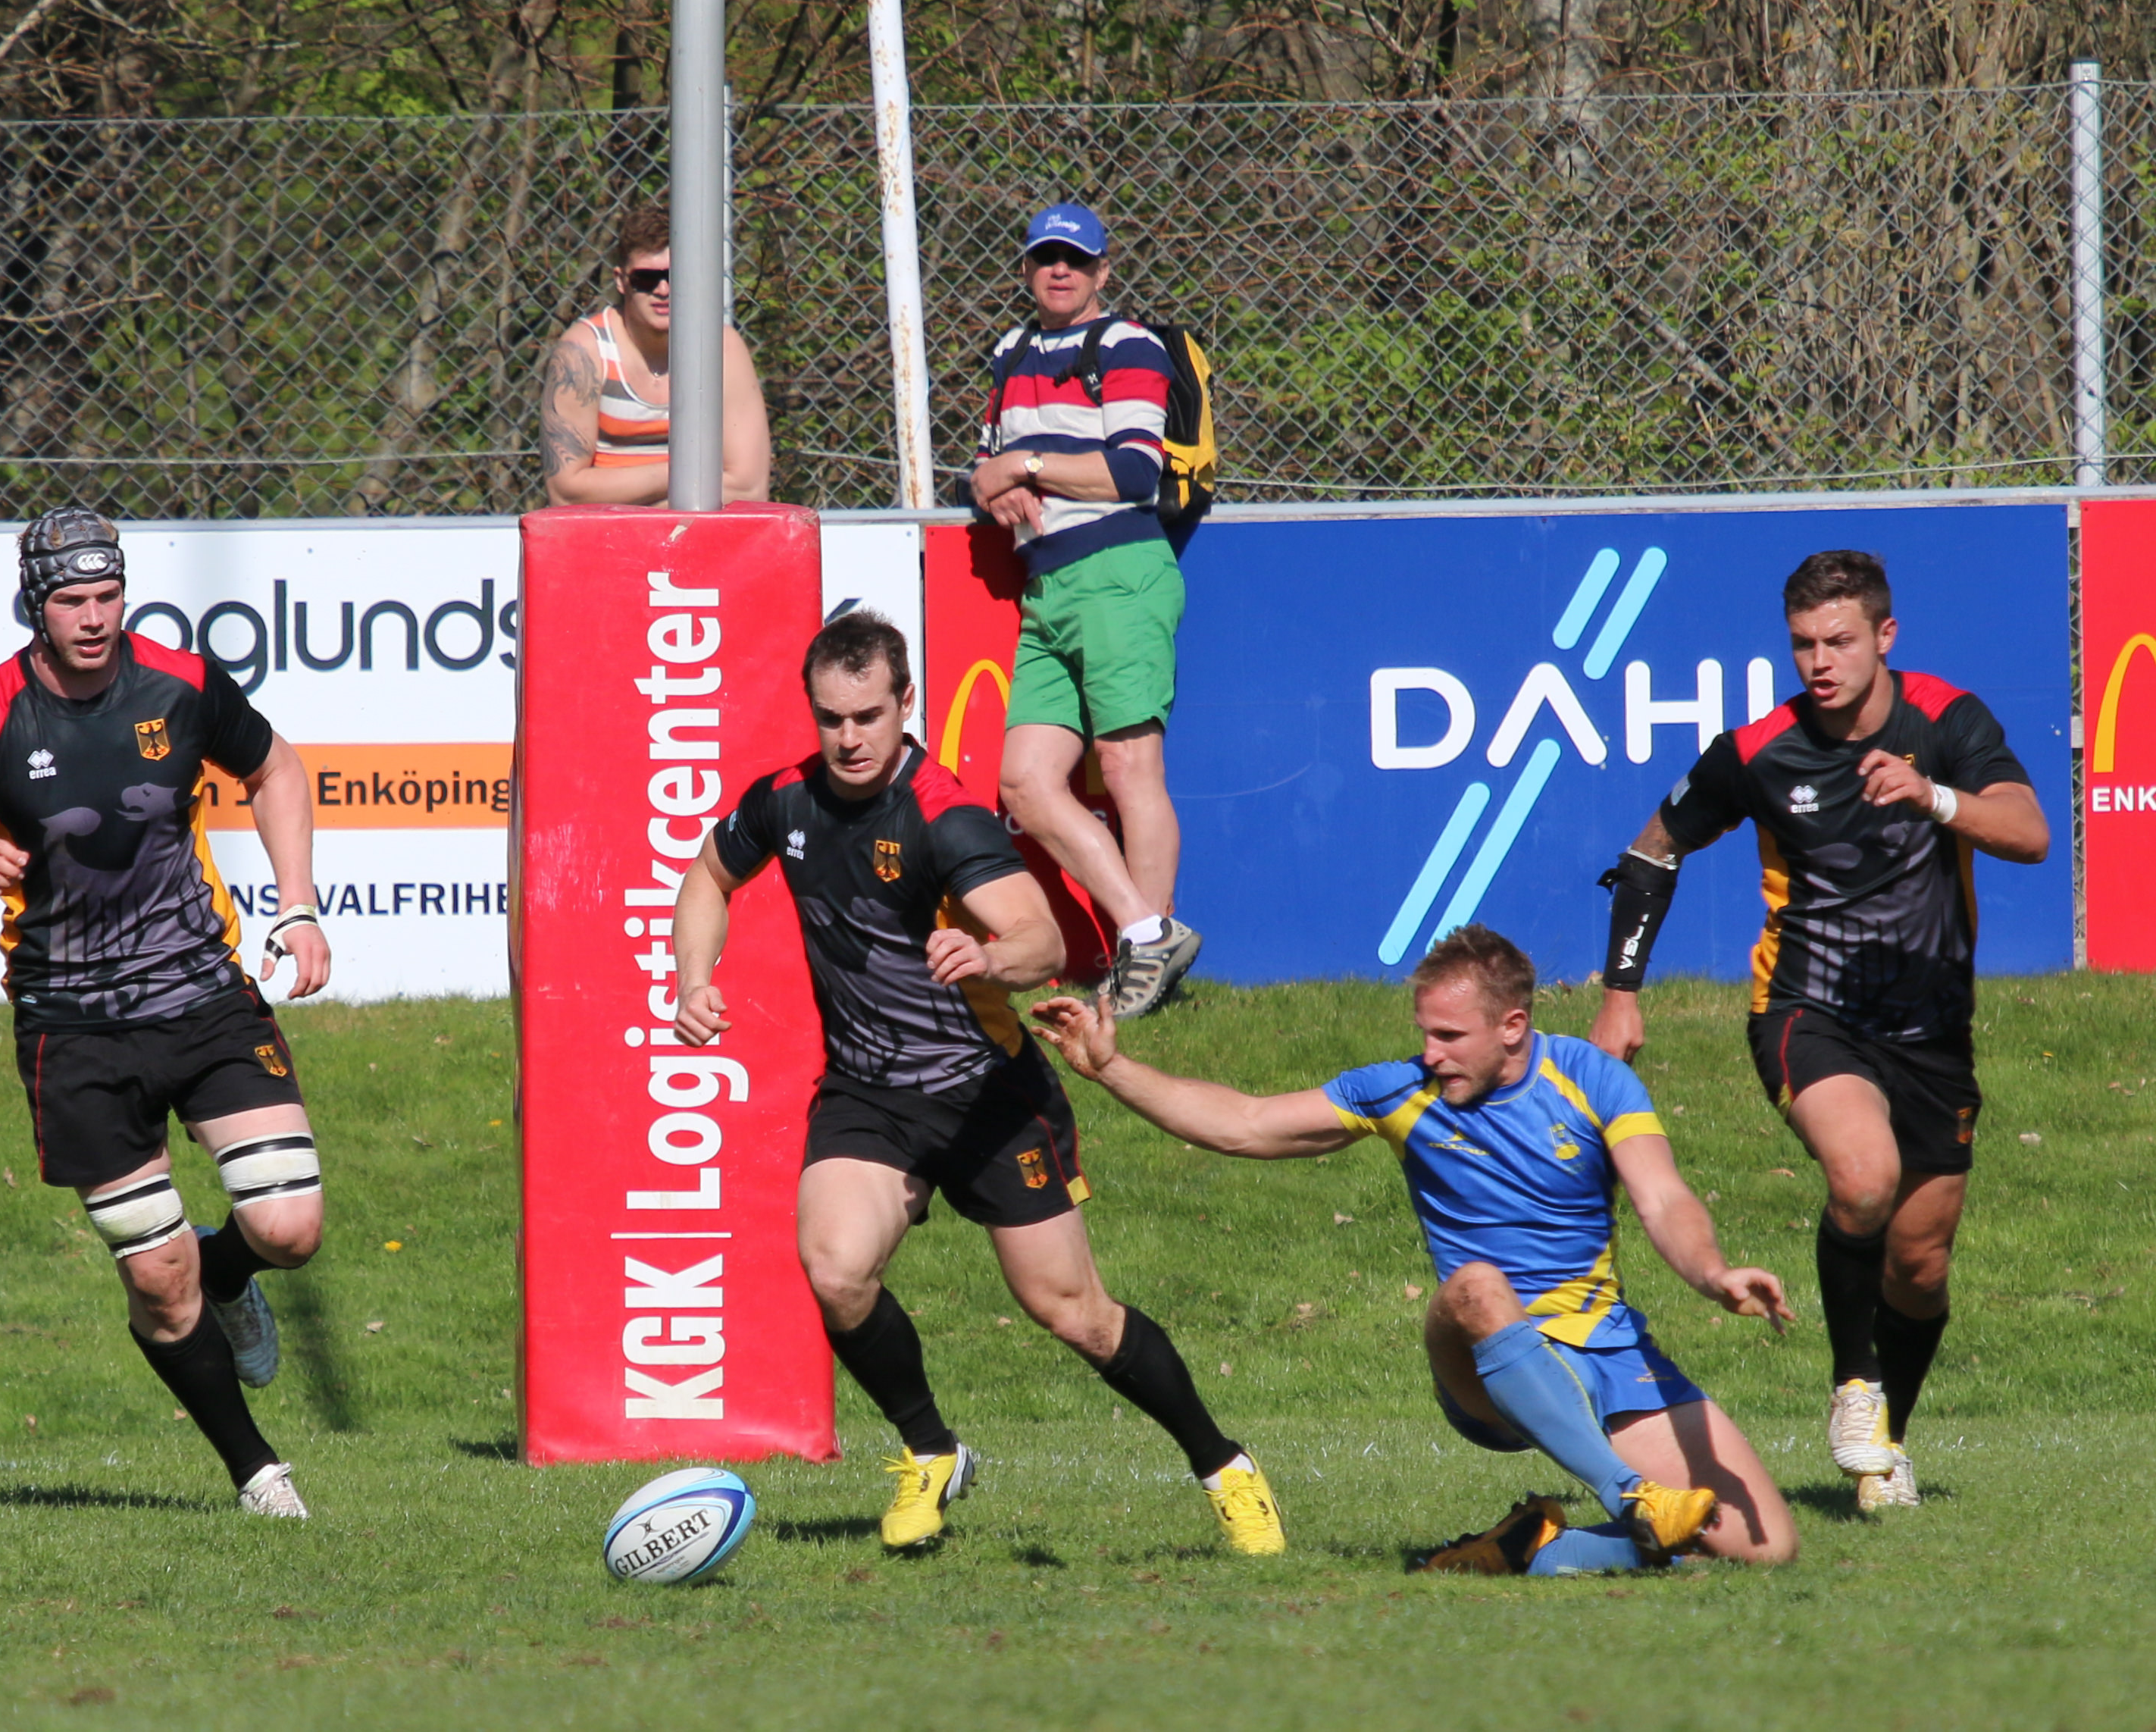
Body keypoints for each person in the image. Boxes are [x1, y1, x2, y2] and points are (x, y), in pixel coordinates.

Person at [670, 609, 1281, 1556]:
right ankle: (930, 1451)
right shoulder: (783, 803)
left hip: (989, 1098)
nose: (849, 738)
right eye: (831, 718)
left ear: (905, 704)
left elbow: (1041, 937)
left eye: (868, 716)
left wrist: (991, 957)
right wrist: (693, 980)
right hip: (870, 1093)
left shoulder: (942, 816)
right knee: (835, 1270)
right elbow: (708, 876)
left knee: (1073, 1314)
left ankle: (1224, 1466)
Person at [1036, 925, 1798, 1575]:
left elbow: (1664, 1199)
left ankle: (1530, 1549)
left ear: (1513, 1026)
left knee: (1763, 1547)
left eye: (1449, 1037)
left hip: (1605, 1348)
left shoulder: (1591, 1079)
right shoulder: (1399, 1092)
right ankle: (1630, 1495)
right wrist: (1109, 1067)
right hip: (1482, 1355)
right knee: (1477, 1284)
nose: (1429, 1054)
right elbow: (1244, 1123)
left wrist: (1714, 1273)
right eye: (1424, 1033)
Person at [0, 505, 333, 1519]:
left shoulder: (179, 682)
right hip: (73, 1029)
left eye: (108, 596)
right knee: (161, 1282)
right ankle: (258, 1474)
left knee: (290, 1226)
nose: (93, 618)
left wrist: (297, 904)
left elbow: (276, 767)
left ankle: (232, 1273)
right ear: (34, 607)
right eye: (72, 601)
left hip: (202, 992)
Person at [1588, 549, 2049, 1512]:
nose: (1819, 662)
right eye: (1803, 644)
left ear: (1886, 635)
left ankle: (1884, 1447)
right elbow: (1653, 850)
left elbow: (2029, 832)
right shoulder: (1760, 750)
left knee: (1919, 1266)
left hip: (1932, 1028)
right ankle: (1852, 1383)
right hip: (1807, 1009)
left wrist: (1933, 795)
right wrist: (1621, 994)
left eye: (1839, 641)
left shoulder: (1948, 720)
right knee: (1864, 1176)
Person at [968, 202, 1196, 1019]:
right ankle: (1148, 933)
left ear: (1102, 270)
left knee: (1131, 768)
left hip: (1118, 573)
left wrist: (1023, 466)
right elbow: (984, 467)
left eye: (1074, 259)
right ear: (1026, 270)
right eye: (1044, 258)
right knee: (1025, 783)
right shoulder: (1009, 352)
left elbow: (1133, 473)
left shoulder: (1128, 345)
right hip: (1046, 587)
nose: (1058, 271)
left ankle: (1147, 978)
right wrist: (994, 485)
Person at [540, 199, 771, 507]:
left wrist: (638, 500)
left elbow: (750, 490)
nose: (663, 290)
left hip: (699, 532)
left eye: (675, 276)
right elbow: (566, 494)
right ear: (621, 281)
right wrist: (686, 477)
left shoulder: (722, 350)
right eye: (646, 279)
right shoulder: (584, 352)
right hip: (607, 534)